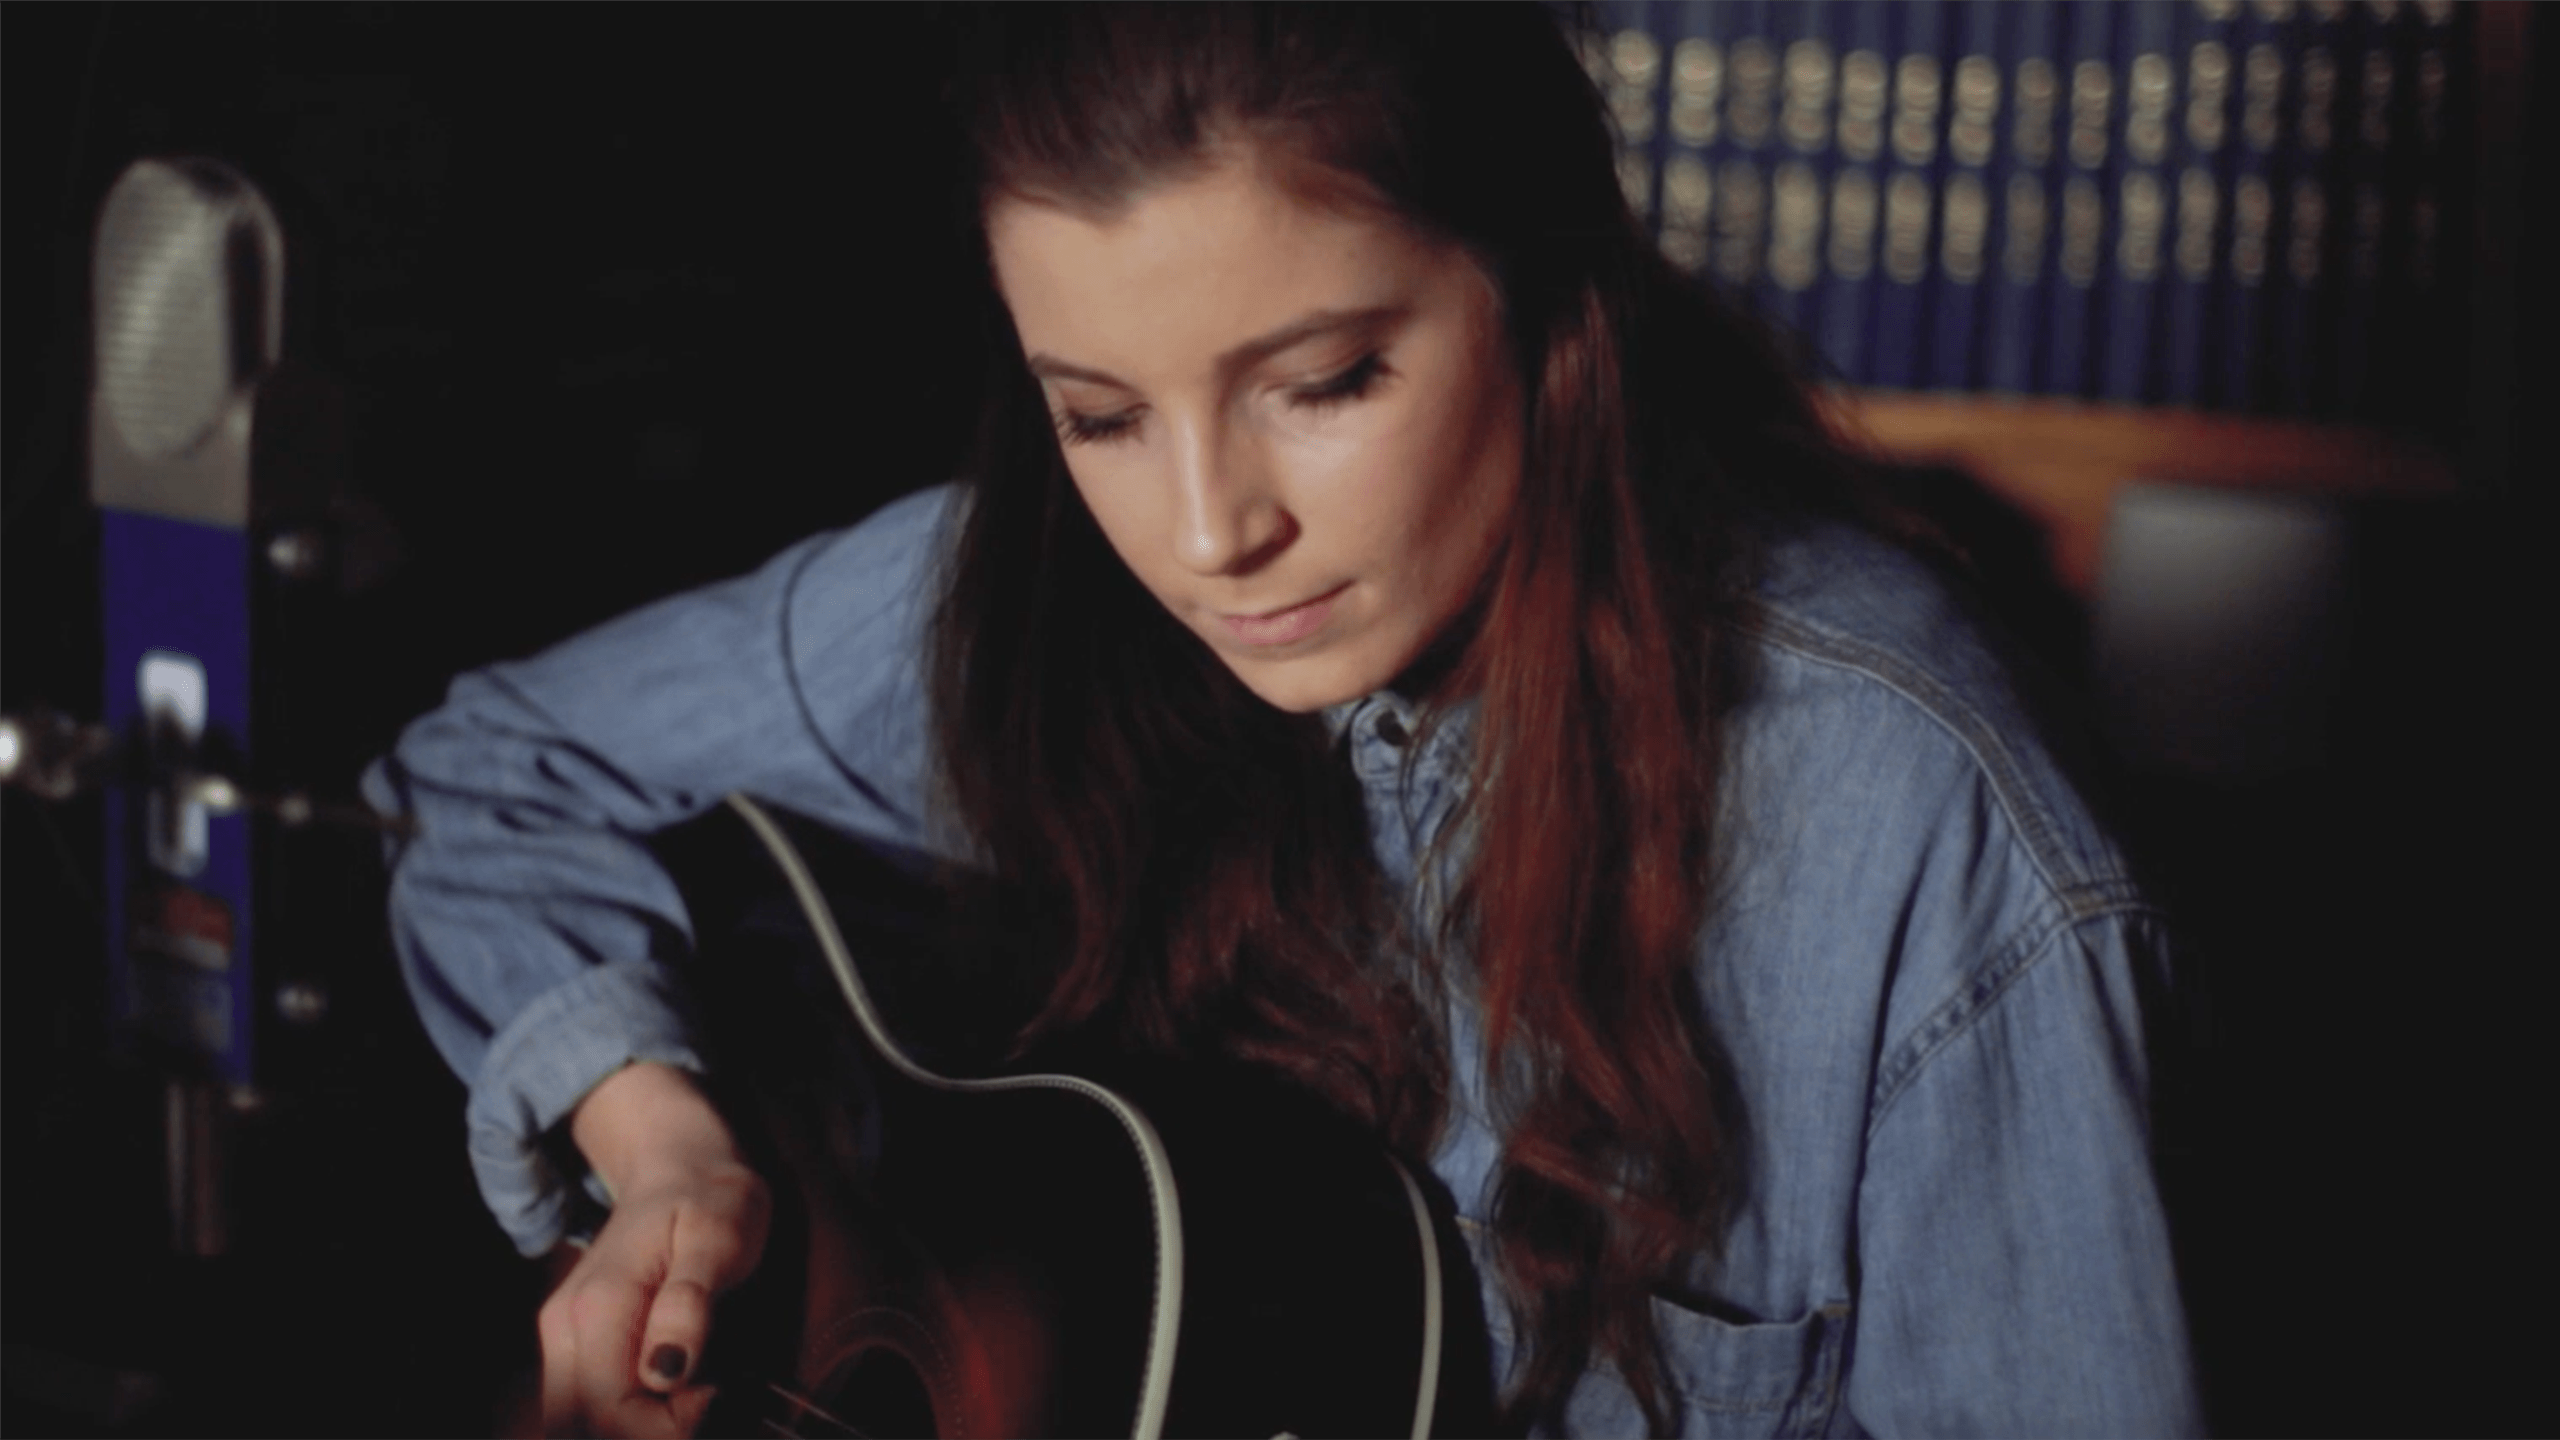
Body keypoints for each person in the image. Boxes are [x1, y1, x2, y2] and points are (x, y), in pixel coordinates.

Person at [365, 5, 2202, 1436]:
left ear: (1551, 302)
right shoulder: (1049, 596)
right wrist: (664, 1151)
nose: (1207, 531)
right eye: (1097, 413)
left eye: (1321, 383)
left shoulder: (1915, 818)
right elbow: (490, 775)